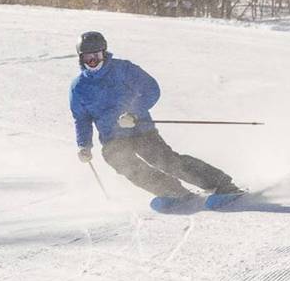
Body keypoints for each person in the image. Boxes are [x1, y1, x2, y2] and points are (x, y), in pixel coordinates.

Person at [71, 31, 241, 201]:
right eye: (88, 58)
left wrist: (133, 113)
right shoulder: (78, 87)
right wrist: (84, 145)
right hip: (112, 138)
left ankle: (222, 184)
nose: (93, 62)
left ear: (104, 53)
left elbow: (151, 89)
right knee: (122, 162)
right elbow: (82, 119)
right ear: (81, 59)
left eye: (97, 56)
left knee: (165, 160)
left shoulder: (123, 69)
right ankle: (172, 191)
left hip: (140, 130)